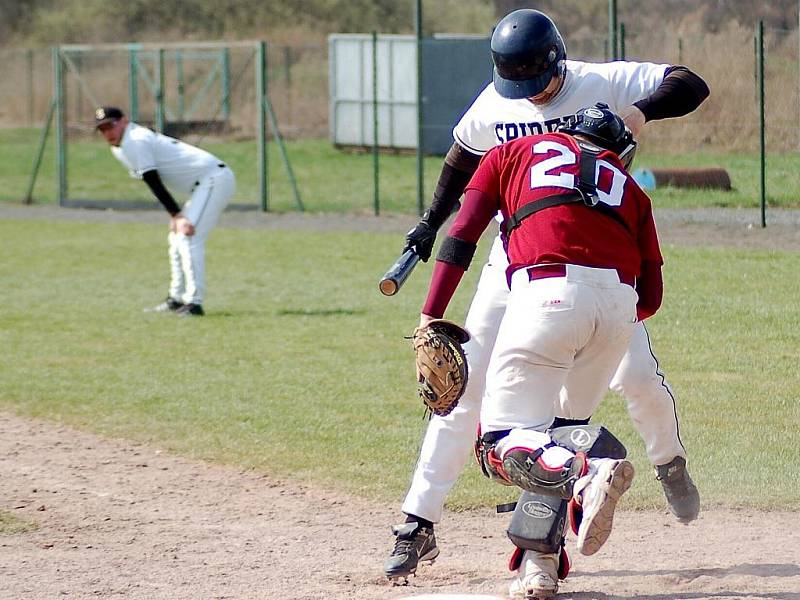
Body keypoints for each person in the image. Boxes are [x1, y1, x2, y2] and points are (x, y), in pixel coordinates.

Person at [385, 8, 709, 581]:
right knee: (466, 385)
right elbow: (461, 157)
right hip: (519, 255)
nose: (532, 99)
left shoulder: (599, 80)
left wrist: (641, 110)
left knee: (631, 378)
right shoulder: (498, 104)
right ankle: (419, 519)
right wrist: (428, 222)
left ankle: (666, 461)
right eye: (520, 88)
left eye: (541, 83)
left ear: (560, 62)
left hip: (588, 250)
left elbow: (690, 83)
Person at [416, 103, 663, 598]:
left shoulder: (511, 153)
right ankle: (539, 566)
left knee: (501, 443)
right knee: (560, 436)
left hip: (546, 295)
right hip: (618, 309)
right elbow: (651, 295)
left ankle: (590, 472)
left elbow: (462, 234)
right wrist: (599, 319)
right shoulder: (630, 187)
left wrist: (431, 313)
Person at [95, 106, 235, 316]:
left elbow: (152, 179)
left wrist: (177, 215)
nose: (107, 132)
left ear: (124, 121)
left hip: (214, 178)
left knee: (188, 236)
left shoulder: (136, 139)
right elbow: (151, 179)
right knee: (176, 238)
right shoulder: (120, 147)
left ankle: (194, 303)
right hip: (202, 185)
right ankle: (176, 299)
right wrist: (175, 214)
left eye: (110, 126)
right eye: (102, 129)